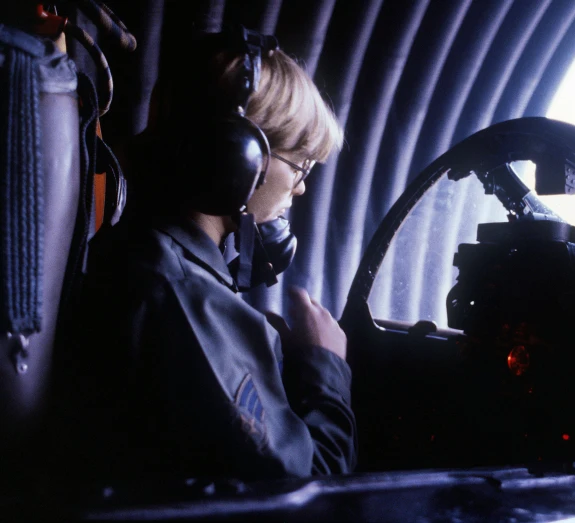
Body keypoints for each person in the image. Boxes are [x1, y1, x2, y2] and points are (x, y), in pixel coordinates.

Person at [60, 33, 356, 483]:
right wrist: (325, 366)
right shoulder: (180, 295)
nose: (301, 188)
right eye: (300, 165)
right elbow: (306, 486)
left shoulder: (146, 255)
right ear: (239, 156)